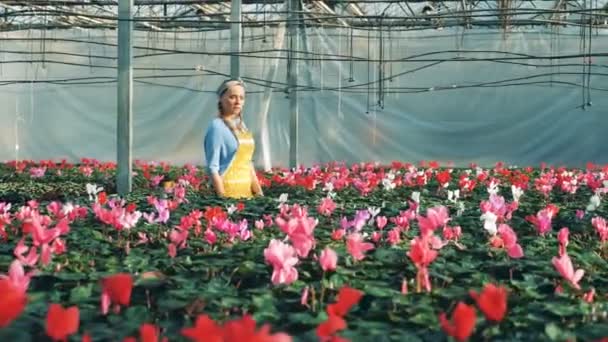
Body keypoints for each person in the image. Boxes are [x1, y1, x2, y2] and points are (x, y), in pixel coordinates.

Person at [203, 78, 264, 199]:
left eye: (241, 98)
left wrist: (259, 193)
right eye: (233, 97)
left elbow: (248, 163)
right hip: (229, 193)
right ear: (221, 99)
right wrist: (223, 200)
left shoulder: (242, 126)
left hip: (247, 193)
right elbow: (213, 168)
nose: (238, 102)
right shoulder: (217, 127)